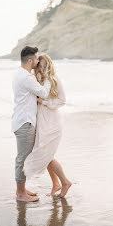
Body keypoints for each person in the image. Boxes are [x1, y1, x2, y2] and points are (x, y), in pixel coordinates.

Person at [23, 53, 72, 198]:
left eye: (44, 67)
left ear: (49, 66)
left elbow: (62, 100)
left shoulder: (54, 79)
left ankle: (65, 182)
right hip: (40, 121)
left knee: (46, 154)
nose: (42, 69)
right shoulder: (37, 80)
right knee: (47, 154)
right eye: (39, 66)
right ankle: (57, 184)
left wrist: (43, 102)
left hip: (51, 121)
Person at [12, 46, 51, 202]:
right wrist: (48, 78)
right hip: (25, 123)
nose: (37, 60)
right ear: (30, 61)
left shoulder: (19, 74)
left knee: (23, 158)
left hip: (21, 121)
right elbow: (44, 93)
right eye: (36, 58)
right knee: (22, 159)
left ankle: (22, 189)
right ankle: (20, 194)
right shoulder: (27, 78)